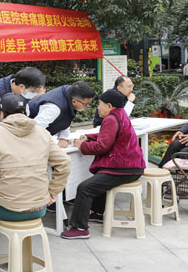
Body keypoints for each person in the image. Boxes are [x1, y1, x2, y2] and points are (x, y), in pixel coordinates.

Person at [0, 93, 71, 238]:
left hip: (7, 208)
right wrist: (52, 191)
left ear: (2, 113)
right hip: (39, 208)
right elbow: (64, 162)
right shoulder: (42, 133)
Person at [61, 89, 146, 240]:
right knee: (99, 177)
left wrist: (82, 145)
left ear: (109, 106)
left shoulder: (111, 119)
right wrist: (89, 137)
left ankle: (80, 228)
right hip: (132, 166)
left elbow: (102, 147)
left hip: (124, 168)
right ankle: (98, 213)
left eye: (100, 104)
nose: (98, 108)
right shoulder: (120, 114)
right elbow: (108, 135)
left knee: (85, 188)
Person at [0, 66, 46, 149]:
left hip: (10, 136)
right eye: (33, 91)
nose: (35, 94)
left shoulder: (24, 92)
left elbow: (25, 116)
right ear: (22, 86)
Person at [29, 80, 96, 148]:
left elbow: (67, 117)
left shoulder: (70, 93)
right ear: (74, 101)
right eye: (85, 104)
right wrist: (54, 143)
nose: (87, 106)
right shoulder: (54, 108)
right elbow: (37, 127)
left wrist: (63, 138)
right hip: (28, 134)